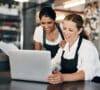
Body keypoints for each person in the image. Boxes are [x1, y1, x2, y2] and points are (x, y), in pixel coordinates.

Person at [48, 14, 100, 84]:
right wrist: (52, 70)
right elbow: (54, 63)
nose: (66, 33)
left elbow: (86, 73)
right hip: (72, 86)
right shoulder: (64, 46)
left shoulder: (87, 47)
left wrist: (63, 77)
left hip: (90, 85)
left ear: (79, 30)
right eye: (64, 28)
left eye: (70, 30)